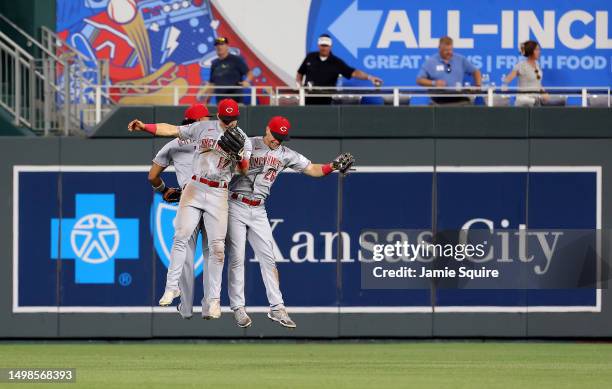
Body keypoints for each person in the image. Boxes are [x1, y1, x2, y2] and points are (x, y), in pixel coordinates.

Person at [223, 116, 354, 328]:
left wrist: (333, 166)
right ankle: (238, 308)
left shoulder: (285, 154)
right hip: (235, 202)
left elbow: (312, 169)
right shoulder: (248, 143)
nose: (277, 140)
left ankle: (277, 308)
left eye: (281, 137)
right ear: (267, 129)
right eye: (275, 136)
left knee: (269, 259)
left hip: (258, 208)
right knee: (237, 257)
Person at [128, 98, 252, 319]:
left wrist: (239, 156)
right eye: (226, 119)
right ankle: (173, 289)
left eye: (233, 119)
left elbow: (244, 171)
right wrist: (145, 127)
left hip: (218, 191)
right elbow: (171, 130)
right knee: (182, 239)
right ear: (218, 116)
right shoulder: (202, 128)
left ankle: (211, 301)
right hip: (195, 187)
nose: (230, 123)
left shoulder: (242, 139)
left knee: (216, 249)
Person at [147, 104, 210, 319]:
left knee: (184, 251)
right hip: (213, 198)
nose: (207, 122)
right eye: (205, 118)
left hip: (188, 197)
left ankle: (184, 306)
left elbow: (152, 176)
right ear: (195, 122)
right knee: (212, 252)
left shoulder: (173, 144)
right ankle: (211, 303)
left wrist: (164, 190)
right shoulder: (214, 141)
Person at [296, 34, 383, 105]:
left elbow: (353, 73)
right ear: (318, 45)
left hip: (326, 99)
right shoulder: (310, 57)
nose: (324, 48)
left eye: (326, 45)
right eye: (322, 45)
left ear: (330, 46)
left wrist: (370, 77)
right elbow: (300, 73)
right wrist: (299, 87)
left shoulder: (336, 62)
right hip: (308, 97)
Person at [416, 36, 482, 105]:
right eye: (446, 50)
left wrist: (478, 85)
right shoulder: (430, 62)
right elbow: (419, 80)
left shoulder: (460, 59)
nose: (449, 52)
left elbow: (476, 72)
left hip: (458, 98)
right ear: (439, 48)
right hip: (438, 99)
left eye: (451, 50)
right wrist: (434, 83)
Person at [203, 37, 253, 104]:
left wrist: (247, 81)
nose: (219, 47)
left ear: (227, 46)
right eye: (217, 45)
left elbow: (249, 73)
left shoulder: (236, 60)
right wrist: (207, 101)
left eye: (222, 44)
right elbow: (212, 84)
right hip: (220, 102)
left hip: (236, 101)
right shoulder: (214, 63)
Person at [504, 40, 546, 106]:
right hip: (524, 102)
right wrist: (505, 94)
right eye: (537, 50)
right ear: (530, 51)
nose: (539, 52)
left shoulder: (537, 65)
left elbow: (537, 83)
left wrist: (544, 92)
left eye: (539, 49)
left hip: (537, 102)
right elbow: (507, 80)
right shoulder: (521, 65)